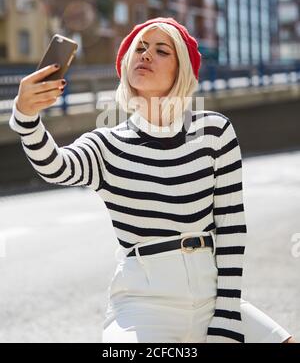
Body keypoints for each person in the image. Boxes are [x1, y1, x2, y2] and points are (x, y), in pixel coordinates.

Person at [9, 17, 296, 343]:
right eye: (140, 48)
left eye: (161, 51)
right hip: (141, 309)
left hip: (214, 302)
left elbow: (230, 227)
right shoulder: (107, 145)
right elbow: (56, 166)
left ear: (181, 71)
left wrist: (227, 317)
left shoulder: (215, 132)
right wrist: (28, 118)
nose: (145, 55)